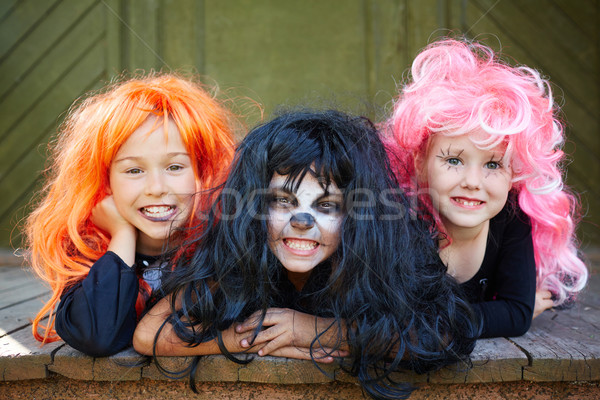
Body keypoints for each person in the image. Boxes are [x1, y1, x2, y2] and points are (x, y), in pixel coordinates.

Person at [133, 110, 478, 399]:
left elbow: (442, 334)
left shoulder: (379, 260)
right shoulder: (240, 257)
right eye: (283, 201)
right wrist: (253, 339)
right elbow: (149, 334)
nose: (302, 222)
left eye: (327, 205)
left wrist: (313, 330)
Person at [386, 38, 588, 338]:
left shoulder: (511, 216)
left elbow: (516, 315)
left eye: (493, 165)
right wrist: (497, 314)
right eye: (454, 160)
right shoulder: (405, 219)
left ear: (515, 174)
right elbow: (408, 320)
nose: (472, 181)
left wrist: (512, 311)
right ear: (419, 162)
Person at [26, 73, 236, 357]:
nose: (156, 188)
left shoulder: (223, 245)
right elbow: (97, 337)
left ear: (203, 171)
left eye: (174, 167)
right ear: (104, 180)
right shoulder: (90, 251)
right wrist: (121, 235)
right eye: (134, 170)